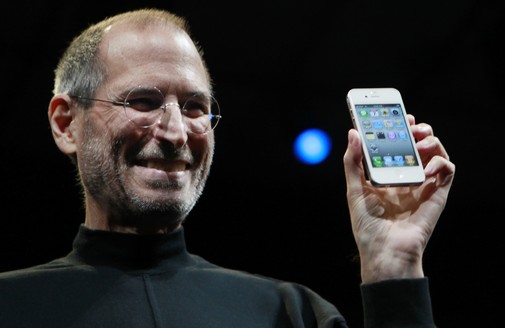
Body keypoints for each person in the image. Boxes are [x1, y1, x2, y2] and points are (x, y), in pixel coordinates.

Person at [0, 8, 455, 328]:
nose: (177, 131)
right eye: (143, 101)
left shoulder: (291, 313)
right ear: (66, 125)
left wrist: (392, 268)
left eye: (196, 107)